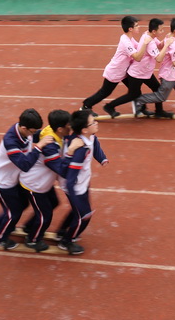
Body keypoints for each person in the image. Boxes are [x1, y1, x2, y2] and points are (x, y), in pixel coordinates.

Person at [19, 109, 84, 252]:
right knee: (45, 215)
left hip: (43, 182)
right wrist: (71, 151)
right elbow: (61, 169)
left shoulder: (51, 130)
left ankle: (29, 227)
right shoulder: (50, 146)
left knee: (54, 202)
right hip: (34, 184)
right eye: (69, 126)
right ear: (60, 129)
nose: (71, 128)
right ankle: (32, 240)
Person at [0, 108, 50, 251]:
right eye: (32, 131)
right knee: (14, 213)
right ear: (24, 128)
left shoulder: (25, 132)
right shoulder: (11, 141)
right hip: (2, 181)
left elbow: (37, 135)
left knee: (22, 204)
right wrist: (39, 147)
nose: (33, 134)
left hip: (14, 178)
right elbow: (25, 165)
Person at [57, 109, 109, 255]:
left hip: (82, 181)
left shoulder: (89, 137)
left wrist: (102, 158)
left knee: (77, 211)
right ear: (84, 130)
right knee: (84, 216)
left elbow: (95, 144)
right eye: (93, 122)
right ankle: (66, 241)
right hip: (74, 185)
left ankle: (61, 231)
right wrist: (74, 195)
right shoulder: (80, 150)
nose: (96, 123)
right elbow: (70, 177)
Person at [81, 16, 150, 115]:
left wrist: (147, 39)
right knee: (105, 92)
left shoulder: (129, 38)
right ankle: (86, 106)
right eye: (137, 25)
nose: (139, 27)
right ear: (130, 29)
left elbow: (139, 47)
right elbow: (137, 57)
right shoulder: (126, 42)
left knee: (135, 91)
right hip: (115, 71)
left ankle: (140, 108)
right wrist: (145, 43)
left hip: (124, 71)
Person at [103, 18, 170, 118]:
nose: (162, 31)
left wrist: (167, 39)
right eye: (161, 30)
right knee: (133, 94)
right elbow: (159, 59)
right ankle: (109, 106)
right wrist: (167, 45)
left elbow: (159, 45)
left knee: (157, 89)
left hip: (145, 71)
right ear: (154, 31)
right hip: (137, 73)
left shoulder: (149, 34)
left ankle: (158, 111)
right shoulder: (150, 42)